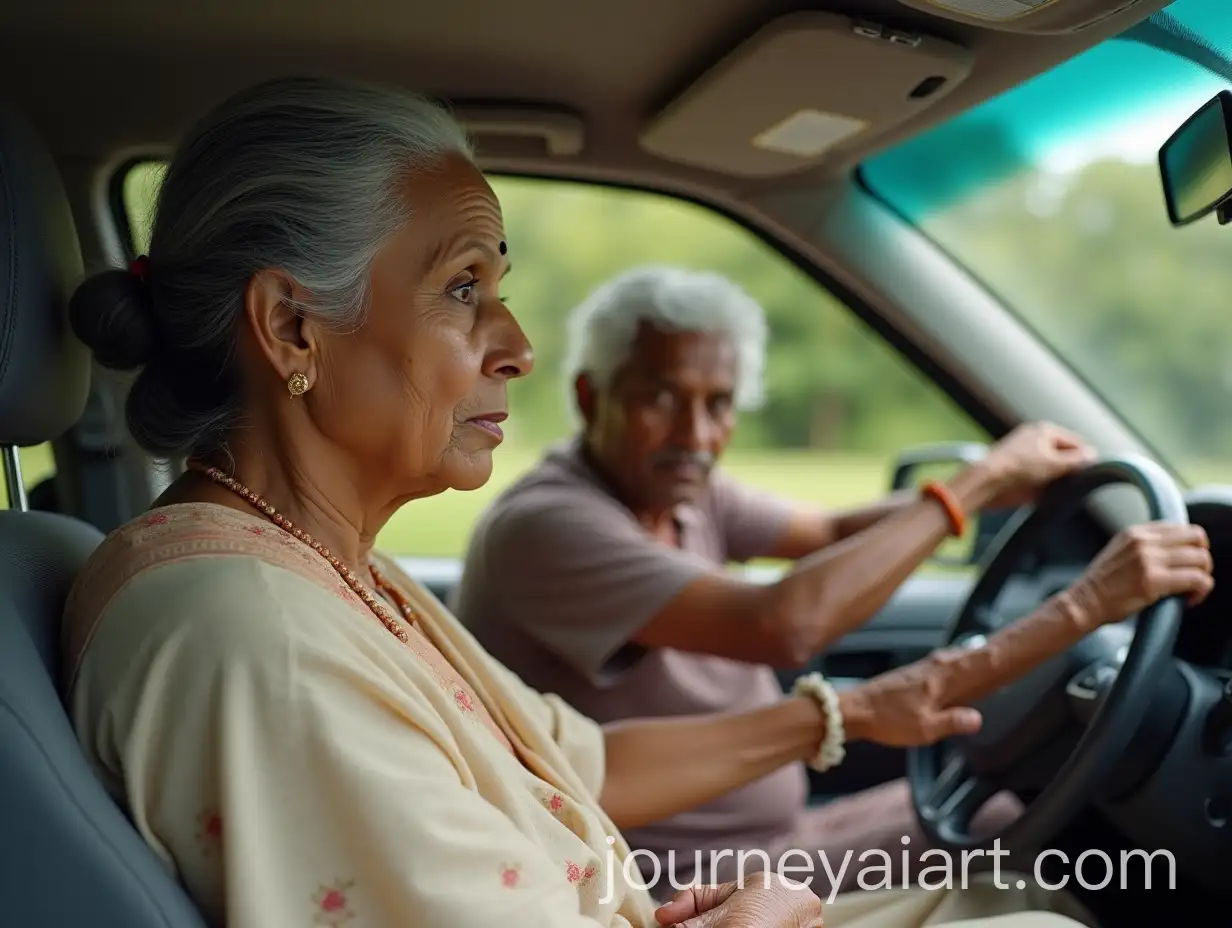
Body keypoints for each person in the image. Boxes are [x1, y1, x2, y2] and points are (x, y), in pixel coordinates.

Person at [60, 75, 1210, 928]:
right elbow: (783, 619)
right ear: (291, 327)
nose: (512, 344)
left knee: (1015, 888)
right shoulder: (249, 636)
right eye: (463, 288)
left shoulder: (322, 571)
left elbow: (582, 765)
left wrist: (852, 714)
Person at [449, 265, 1204, 898]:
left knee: (1008, 816)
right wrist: (977, 495)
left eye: (718, 405)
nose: (695, 435)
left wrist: (997, 489)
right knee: (1035, 872)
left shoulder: (680, 490)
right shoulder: (549, 527)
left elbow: (830, 533)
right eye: (660, 398)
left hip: (776, 833)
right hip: (672, 884)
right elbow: (785, 623)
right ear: (590, 398)